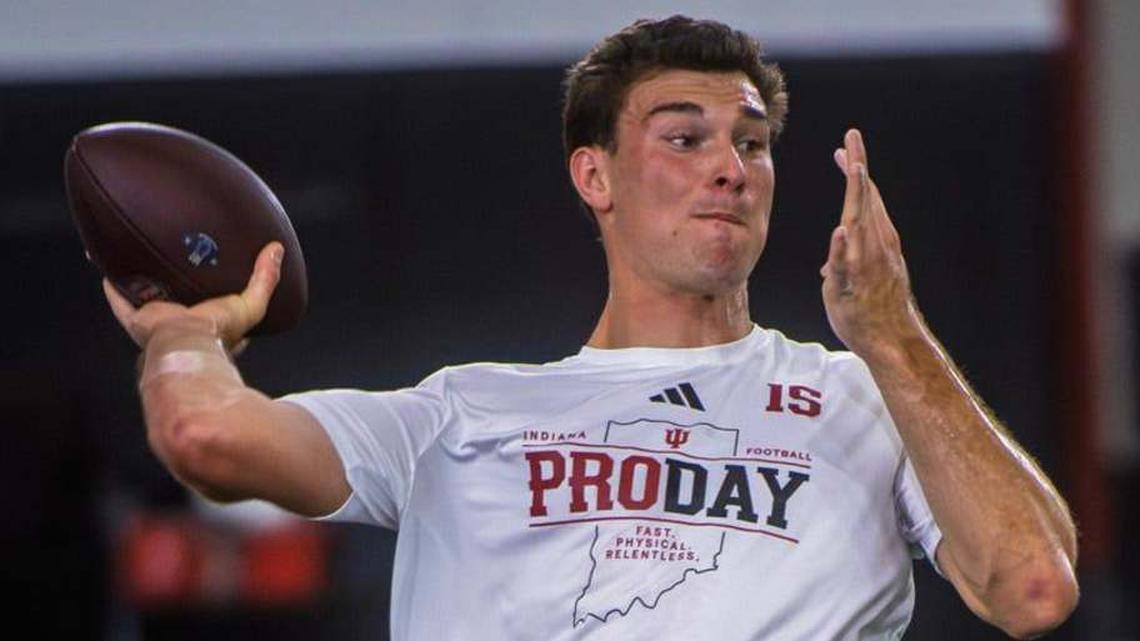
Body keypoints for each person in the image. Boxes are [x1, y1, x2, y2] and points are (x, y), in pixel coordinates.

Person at [104, 15, 1078, 641]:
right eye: (684, 138)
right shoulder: (460, 415)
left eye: (750, 143)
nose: (729, 167)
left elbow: (1034, 587)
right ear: (595, 176)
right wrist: (181, 334)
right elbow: (206, 435)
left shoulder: (863, 398)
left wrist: (895, 337)